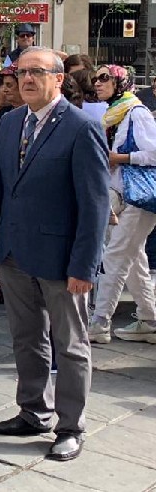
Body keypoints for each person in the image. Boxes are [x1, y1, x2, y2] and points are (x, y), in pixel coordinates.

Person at [0, 47, 110, 463]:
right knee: (26, 337)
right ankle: (33, 410)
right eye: (21, 73)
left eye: (37, 72)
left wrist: (85, 265)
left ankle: (71, 426)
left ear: (58, 78)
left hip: (62, 258)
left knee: (70, 344)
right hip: (14, 252)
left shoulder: (80, 126)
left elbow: (95, 204)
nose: (27, 79)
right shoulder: (11, 121)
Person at [87, 65, 156, 344]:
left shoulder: (136, 112)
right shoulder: (114, 113)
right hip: (122, 195)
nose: (98, 82)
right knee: (133, 257)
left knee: (115, 256)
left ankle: (99, 322)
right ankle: (149, 318)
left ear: (120, 82)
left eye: (105, 78)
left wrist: (120, 158)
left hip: (138, 197)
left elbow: (153, 152)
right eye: (96, 78)